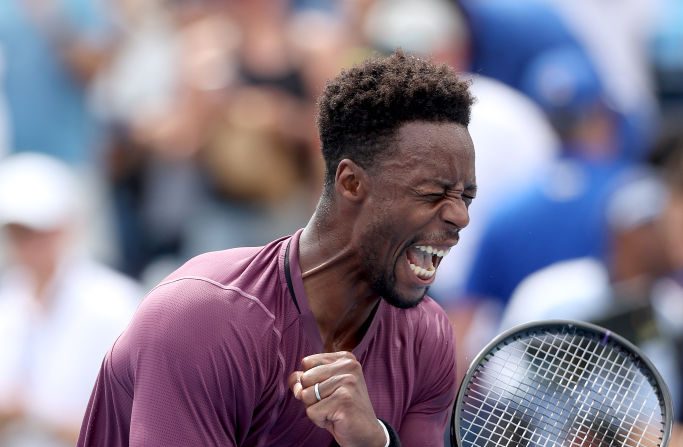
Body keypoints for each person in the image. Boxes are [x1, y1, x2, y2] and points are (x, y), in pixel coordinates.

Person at [77, 50, 476, 446]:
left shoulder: (429, 336)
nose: (460, 217)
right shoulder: (201, 317)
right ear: (352, 183)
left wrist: (374, 441)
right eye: (432, 194)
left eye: (466, 197)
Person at [0, 153, 141, 446]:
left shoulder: (114, 304)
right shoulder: (9, 301)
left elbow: (132, 420)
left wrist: (30, 411)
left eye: (36, 232)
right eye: (18, 234)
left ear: (65, 228)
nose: (27, 245)